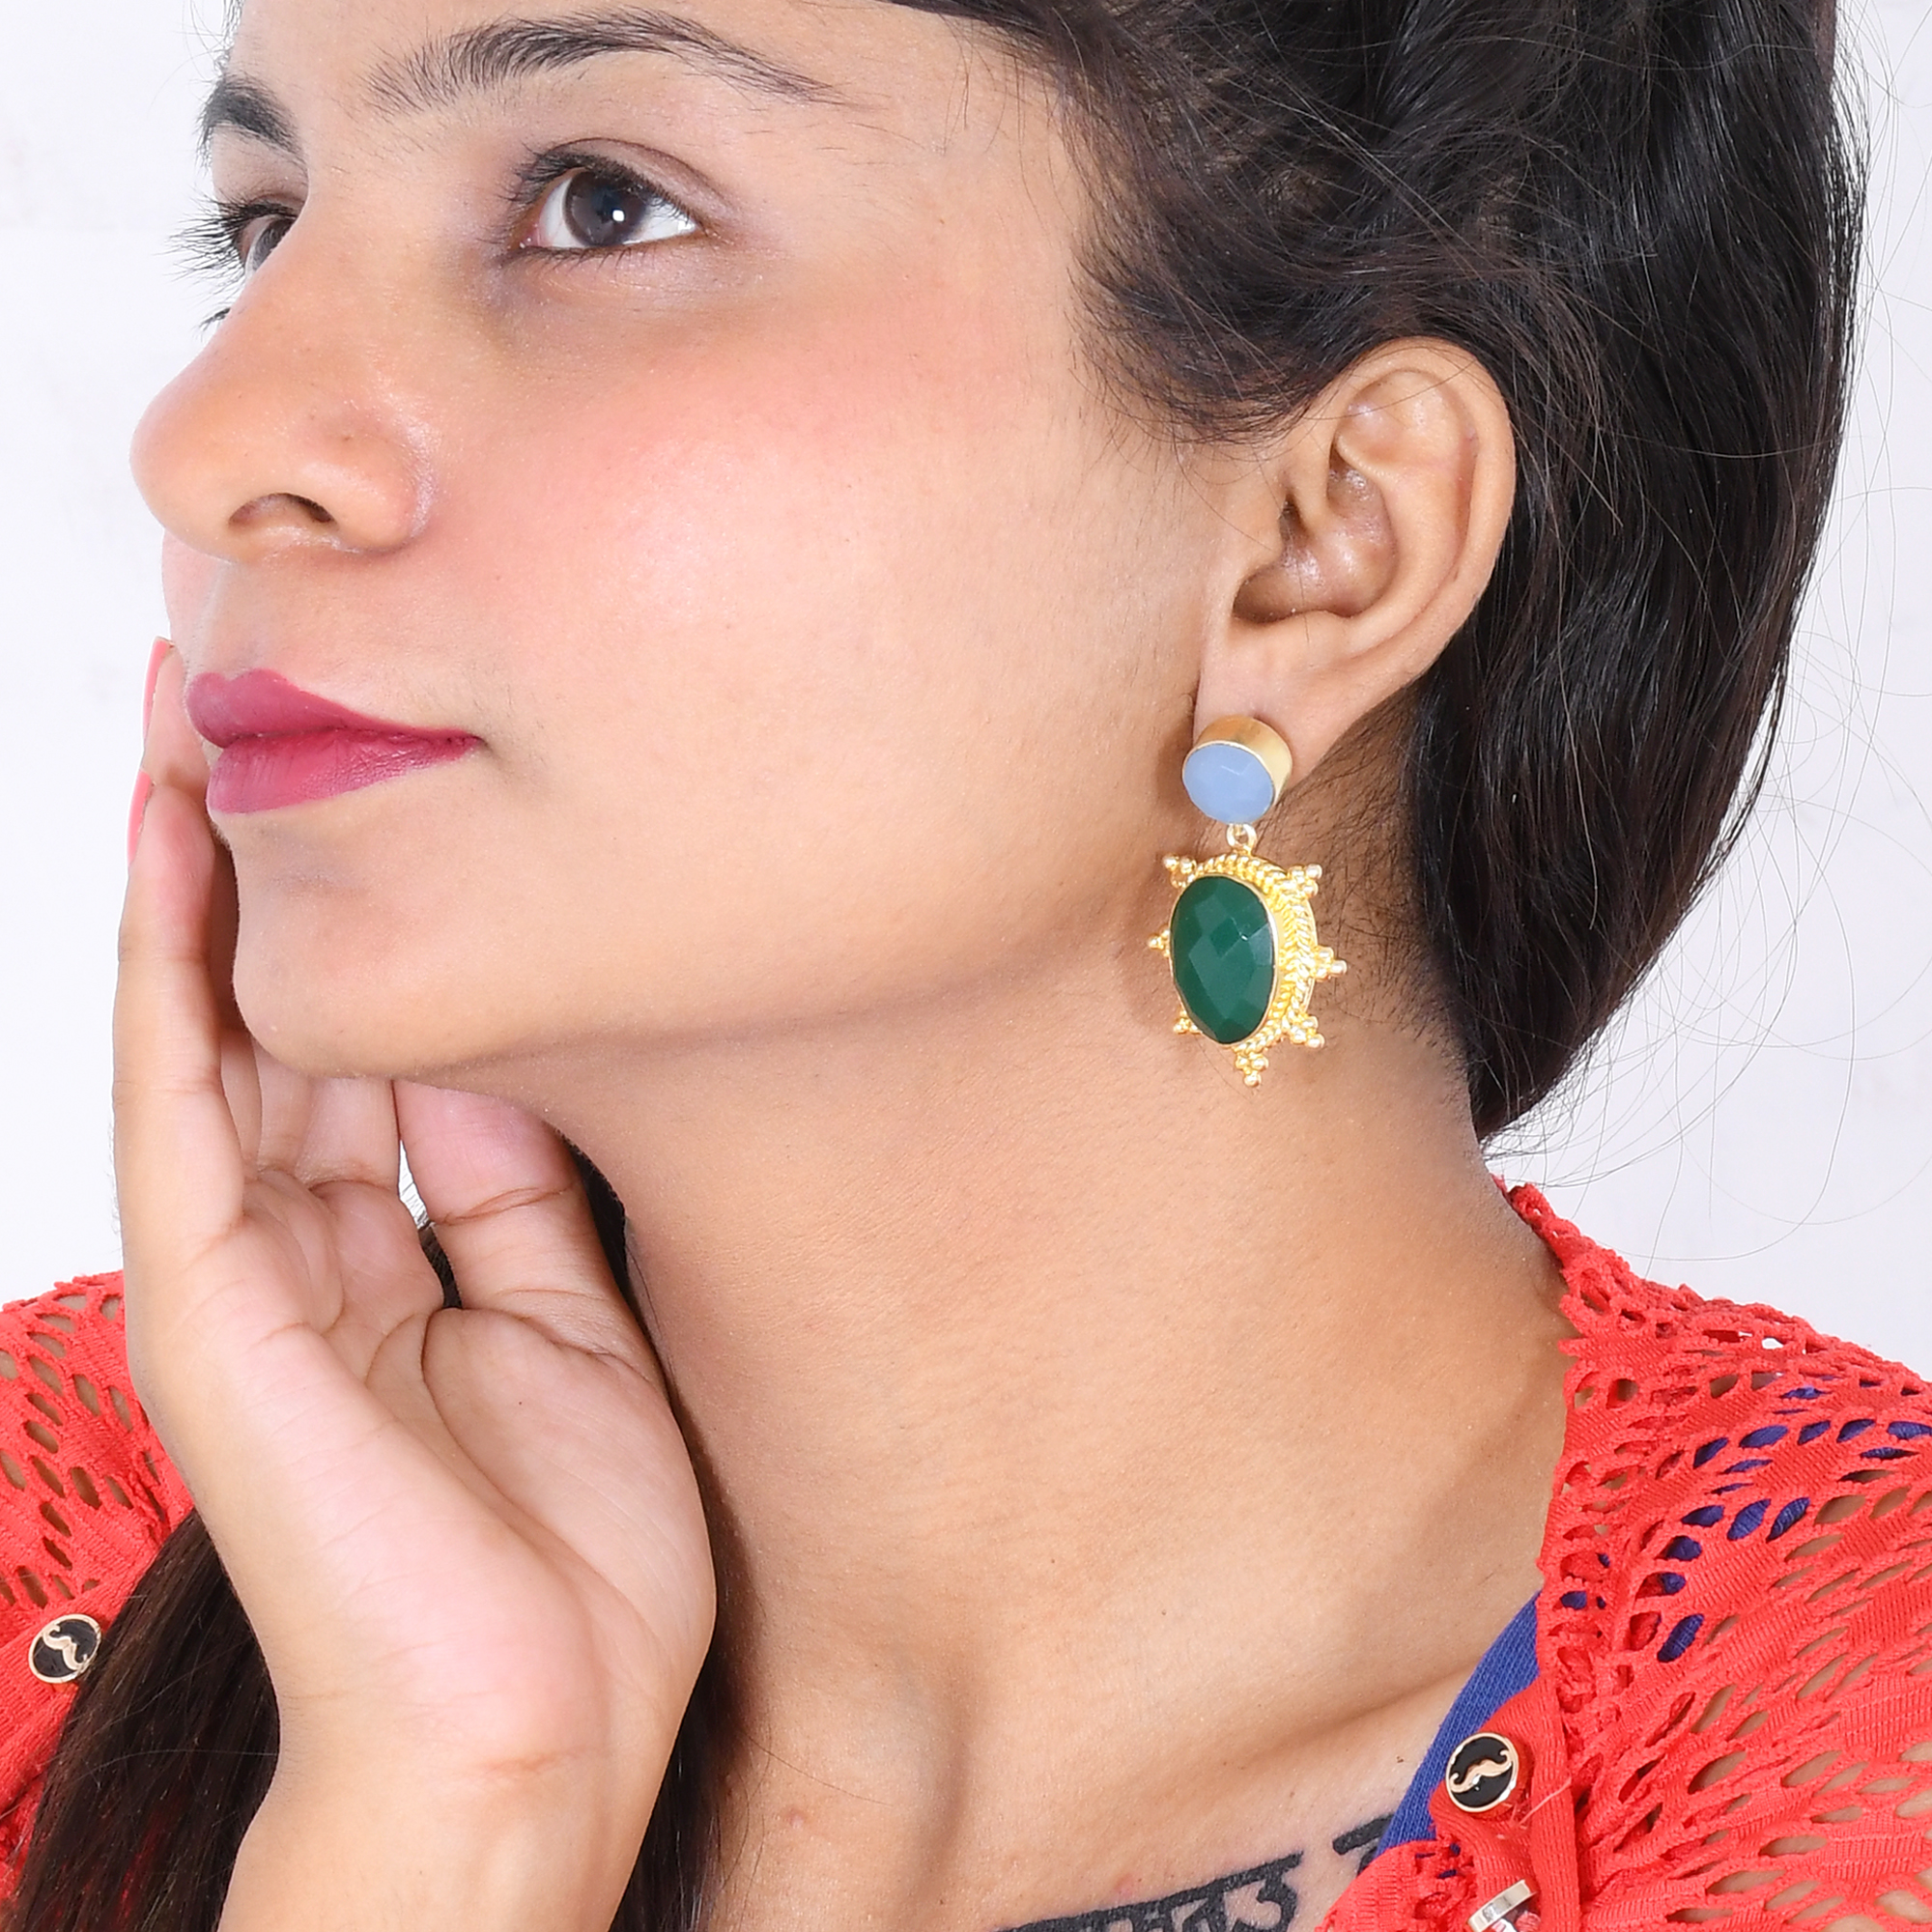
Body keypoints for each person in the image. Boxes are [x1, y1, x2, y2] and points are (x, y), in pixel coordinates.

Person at [0, 0, 1907, 1925]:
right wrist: (432, 1825)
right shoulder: (55, 1529)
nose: (207, 442)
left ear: (1322, 544)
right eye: (264, 226)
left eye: (598, 204)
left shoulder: (1853, 1770)